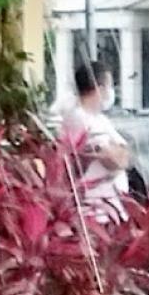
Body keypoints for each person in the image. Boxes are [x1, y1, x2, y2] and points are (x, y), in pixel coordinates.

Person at [61, 61, 130, 217]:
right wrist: (115, 153)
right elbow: (114, 161)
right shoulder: (78, 118)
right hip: (94, 211)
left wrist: (118, 153)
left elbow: (126, 156)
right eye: (109, 86)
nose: (111, 91)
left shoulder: (101, 120)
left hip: (111, 208)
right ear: (99, 89)